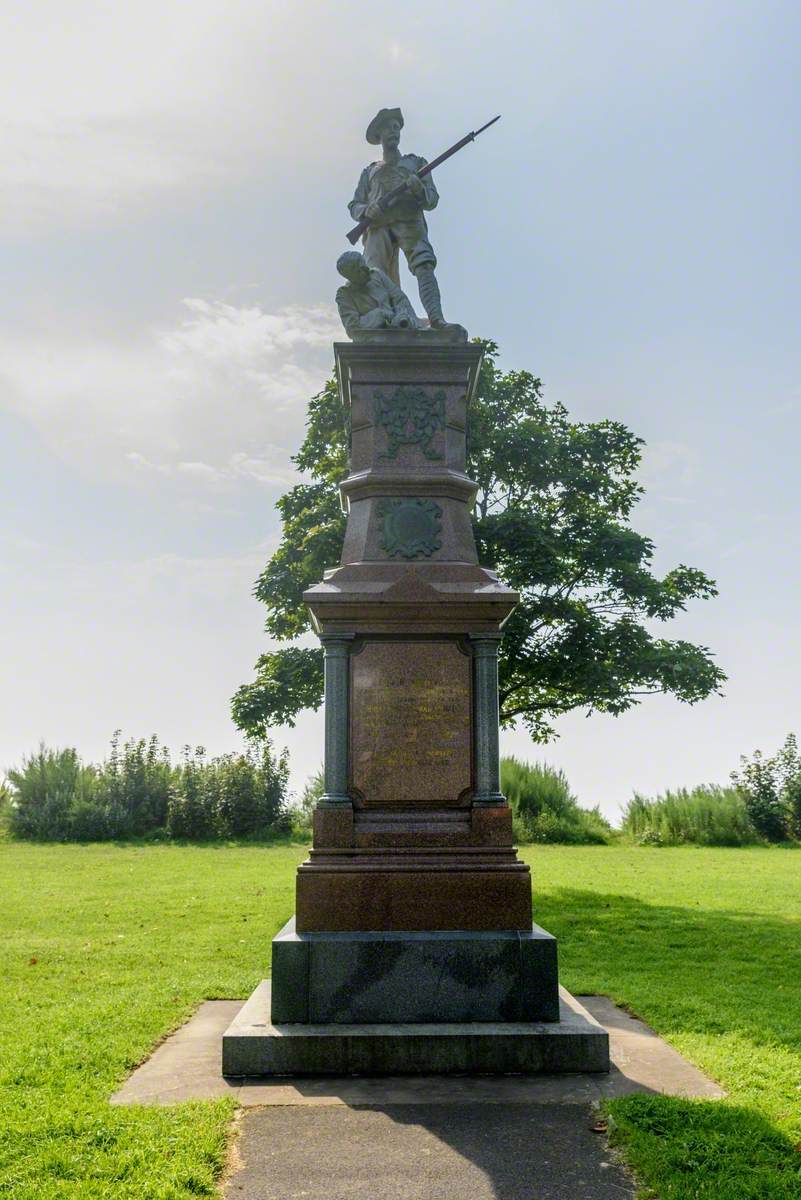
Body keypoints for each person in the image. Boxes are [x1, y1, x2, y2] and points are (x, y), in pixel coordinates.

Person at [348, 107, 451, 328]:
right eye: (388, 128)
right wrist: (367, 211)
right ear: (379, 135)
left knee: (424, 265)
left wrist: (418, 190)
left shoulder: (416, 163)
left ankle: (437, 319)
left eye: (396, 127)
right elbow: (354, 205)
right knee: (375, 275)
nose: (393, 132)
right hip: (378, 227)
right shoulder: (370, 171)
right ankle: (386, 320)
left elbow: (431, 200)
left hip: (410, 223)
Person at [335, 250, 420, 336]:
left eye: (365, 265)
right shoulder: (344, 294)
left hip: (400, 332)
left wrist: (401, 314)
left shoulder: (377, 274)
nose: (367, 270)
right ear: (350, 276)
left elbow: (399, 298)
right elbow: (352, 328)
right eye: (360, 270)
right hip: (372, 341)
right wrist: (380, 315)